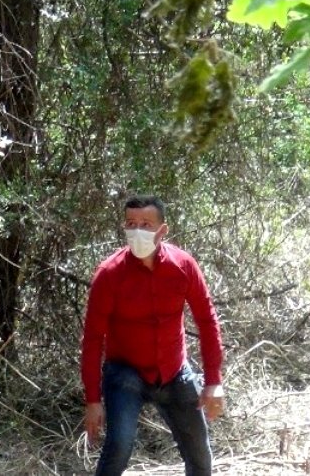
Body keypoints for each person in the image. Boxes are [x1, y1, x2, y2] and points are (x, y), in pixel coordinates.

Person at [80, 195, 224, 476]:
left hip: (174, 371)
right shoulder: (109, 275)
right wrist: (93, 399)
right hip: (125, 374)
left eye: (146, 224)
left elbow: (207, 320)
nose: (137, 231)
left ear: (162, 230)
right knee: (119, 447)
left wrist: (214, 381)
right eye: (131, 223)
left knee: (199, 453)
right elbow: (93, 339)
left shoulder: (183, 266)